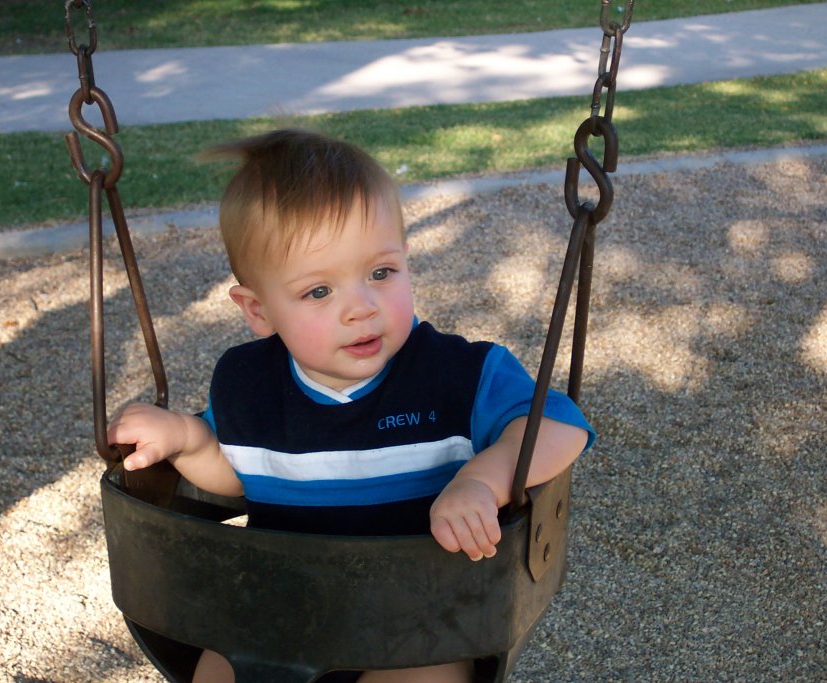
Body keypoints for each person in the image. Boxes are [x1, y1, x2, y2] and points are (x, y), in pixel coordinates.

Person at [107, 128, 595, 683]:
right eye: (319, 291)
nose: (361, 307)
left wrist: (484, 481)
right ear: (258, 311)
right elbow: (238, 475)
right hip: (283, 616)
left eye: (381, 273)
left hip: (424, 623)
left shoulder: (457, 375)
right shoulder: (249, 387)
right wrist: (188, 439)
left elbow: (560, 426)